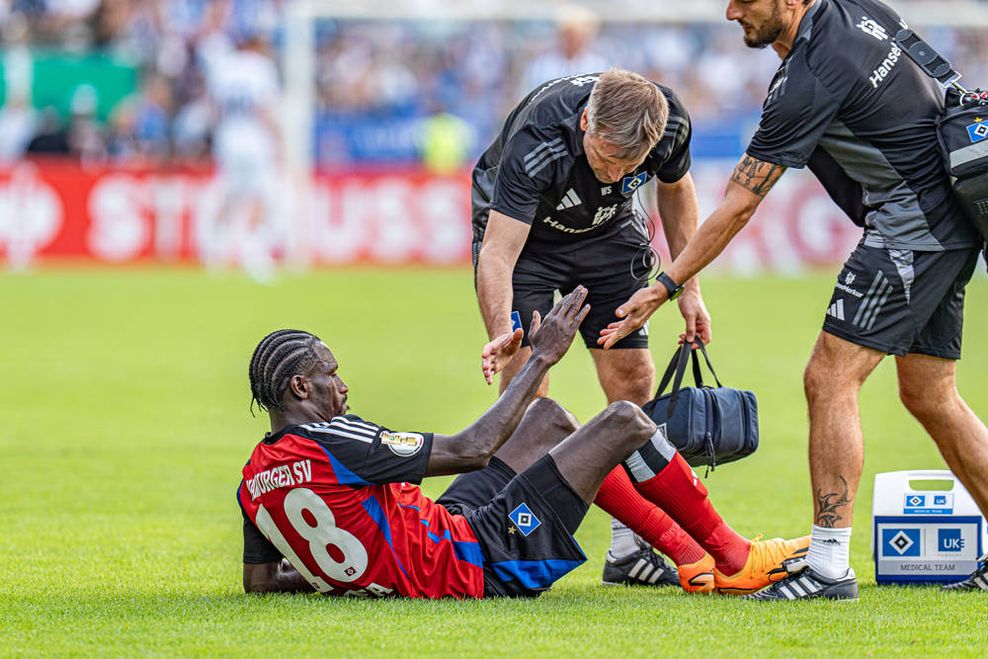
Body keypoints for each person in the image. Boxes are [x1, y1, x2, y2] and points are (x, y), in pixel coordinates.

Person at [598, 0, 988, 600]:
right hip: (946, 216)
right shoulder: (855, 10)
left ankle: (829, 567)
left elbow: (739, 202)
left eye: (745, 1)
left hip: (912, 226)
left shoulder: (811, 73)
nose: (731, 12)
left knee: (828, 378)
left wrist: (665, 285)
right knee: (931, 395)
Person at [238, 289, 808, 598]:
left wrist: (343, 577)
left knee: (548, 418)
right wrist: (542, 356)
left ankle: (688, 559)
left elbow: (260, 583)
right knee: (625, 422)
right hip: (476, 559)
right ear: (300, 387)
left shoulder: (253, 479)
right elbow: (472, 450)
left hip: (437, 531)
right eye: (331, 375)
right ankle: (733, 559)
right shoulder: (335, 440)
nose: (343, 385)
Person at [472, 68, 717, 587]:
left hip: (608, 235)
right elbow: (498, 252)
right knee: (527, 391)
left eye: (628, 166)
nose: (613, 174)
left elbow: (675, 191)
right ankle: (509, 541)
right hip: (526, 242)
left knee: (633, 380)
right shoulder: (539, 142)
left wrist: (689, 289)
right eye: (605, 158)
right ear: (585, 121)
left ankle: (628, 549)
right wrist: (502, 330)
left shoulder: (668, 124)